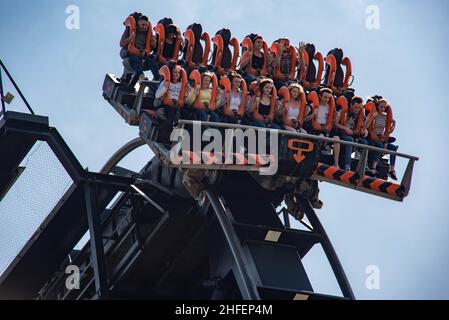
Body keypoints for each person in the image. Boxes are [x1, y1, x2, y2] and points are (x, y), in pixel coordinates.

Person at [119, 15, 159, 87]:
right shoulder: (130, 30)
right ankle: (141, 76)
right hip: (130, 57)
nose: (144, 27)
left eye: (146, 25)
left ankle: (158, 80)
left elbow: (151, 49)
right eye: (142, 25)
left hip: (141, 56)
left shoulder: (148, 34)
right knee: (136, 59)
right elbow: (121, 44)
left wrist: (153, 44)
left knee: (152, 62)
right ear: (138, 23)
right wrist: (130, 38)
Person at [307, 87, 341, 168]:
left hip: (327, 130)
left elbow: (335, 122)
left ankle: (336, 163)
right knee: (321, 137)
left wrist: (337, 117)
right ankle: (316, 160)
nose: (327, 99)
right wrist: (312, 114)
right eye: (325, 97)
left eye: (328, 98)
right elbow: (305, 119)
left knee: (336, 138)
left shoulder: (331, 108)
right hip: (315, 130)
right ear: (320, 96)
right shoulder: (313, 105)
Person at [366, 99, 399, 179]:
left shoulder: (385, 117)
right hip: (372, 138)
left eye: (384, 107)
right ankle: (373, 168)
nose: (383, 109)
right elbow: (366, 126)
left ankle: (392, 170)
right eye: (381, 107)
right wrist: (372, 117)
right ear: (377, 106)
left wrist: (393, 124)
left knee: (393, 148)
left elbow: (389, 130)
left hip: (381, 138)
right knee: (379, 145)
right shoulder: (373, 114)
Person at [334, 96, 369, 171]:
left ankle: (365, 166)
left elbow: (363, 126)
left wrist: (365, 130)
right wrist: (345, 128)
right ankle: (347, 166)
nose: (357, 110)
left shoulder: (360, 115)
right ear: (351, 105)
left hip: (354, 135)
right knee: (350, 140)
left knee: (364, 142)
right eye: (356, 107)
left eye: (359, 108)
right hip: (342, 134)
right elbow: (335, 124)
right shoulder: (342, 111)